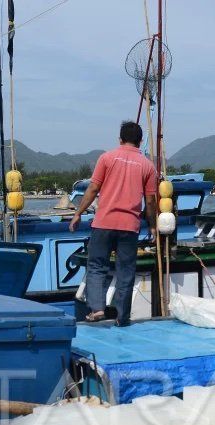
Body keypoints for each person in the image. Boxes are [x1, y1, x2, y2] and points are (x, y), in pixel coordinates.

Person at [68, 120, 158, 324]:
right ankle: (122, 317)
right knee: (125, 271)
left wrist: (78, 213)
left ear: (120, 139)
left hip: (104, 223)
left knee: (97, 266)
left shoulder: (106, 158)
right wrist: (152, 225)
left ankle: (97, 309)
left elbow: (92, 189)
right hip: (130, 226)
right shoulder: (147, 166)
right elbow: (151, 201)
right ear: (140, 141)